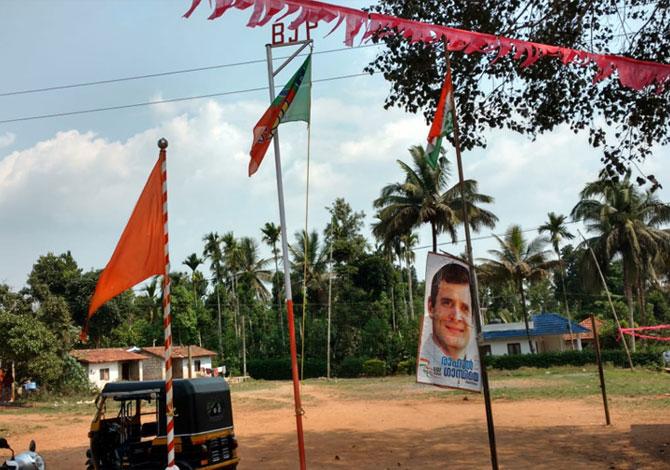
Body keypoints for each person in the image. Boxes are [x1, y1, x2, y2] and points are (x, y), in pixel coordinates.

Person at [423, 262, 474, 361]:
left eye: (465, 308)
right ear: (431, 307)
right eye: (447, 303)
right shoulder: (427, 369)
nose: (457, 317)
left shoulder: (473, 364)